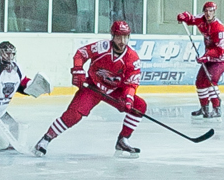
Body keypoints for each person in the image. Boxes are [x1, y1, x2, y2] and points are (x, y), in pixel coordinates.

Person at [35, 20, 146, 158]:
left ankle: (123, 140)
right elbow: (80, 54)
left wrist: (128, 98)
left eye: (125, 36)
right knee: (74, 114)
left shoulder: (132, 58)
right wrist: (78, 71)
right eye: (119, 36)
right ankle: (46, 139)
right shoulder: (102, 47)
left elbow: (131, 83)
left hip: (115, 91)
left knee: (139, 106)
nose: (122, 41)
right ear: (113, 36)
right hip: (93, 87)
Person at [176, 0, 224, 118]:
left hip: (220, 59)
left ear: (214, 12)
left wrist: (206, 56)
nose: (208, 14)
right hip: (209, 58)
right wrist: (183, 16)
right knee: (200, 81)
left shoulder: (219, 29)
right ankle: (204, 108)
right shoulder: (202, 19)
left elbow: (220, 50)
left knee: (211, 80)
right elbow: (191, 19)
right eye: (206, 11)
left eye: (211, 11)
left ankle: (216, 108)